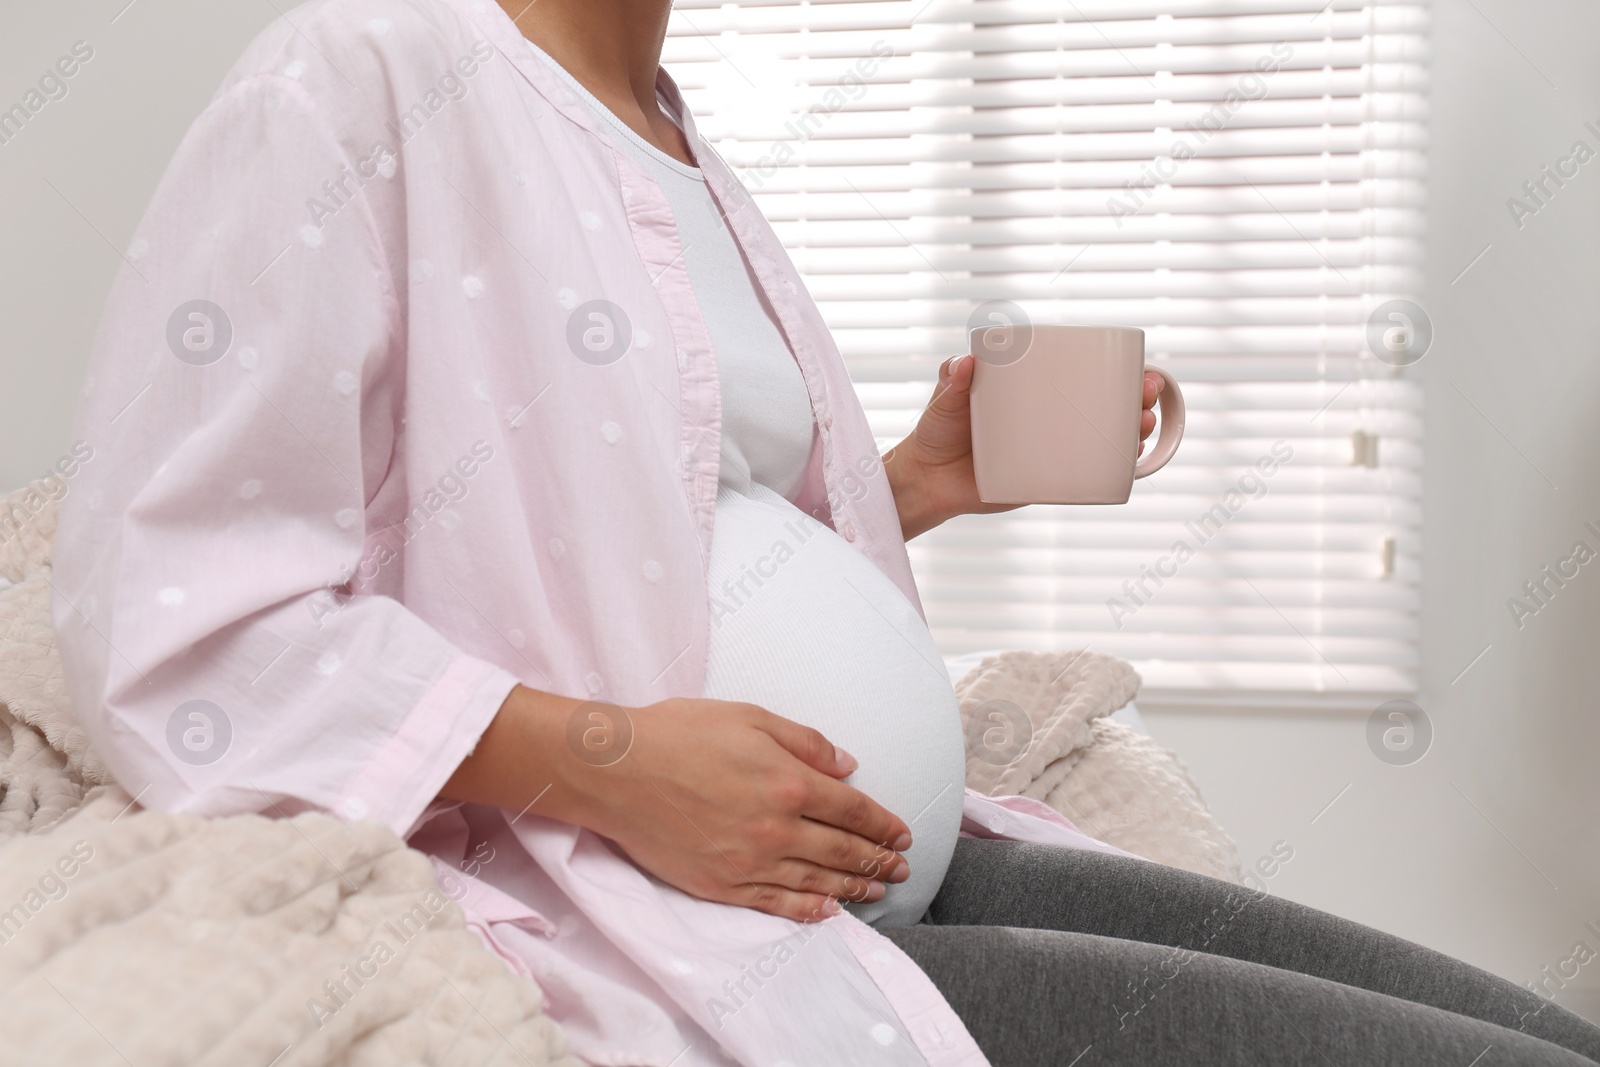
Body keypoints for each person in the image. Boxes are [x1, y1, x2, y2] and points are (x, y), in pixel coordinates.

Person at [51, 0, 1600, 1063]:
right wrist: (610, 763)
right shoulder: (358, 77)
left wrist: (917, 482)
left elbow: (654, 532)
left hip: (881, 865)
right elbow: (184, 618)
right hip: (662, 914)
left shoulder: (676, 142)